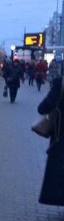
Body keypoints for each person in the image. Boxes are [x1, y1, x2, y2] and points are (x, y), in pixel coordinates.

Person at [37, 75, 64, 205]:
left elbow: (46, 106)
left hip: (61, 137)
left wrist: (41, 108)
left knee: (60, 171)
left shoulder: (61, 82)